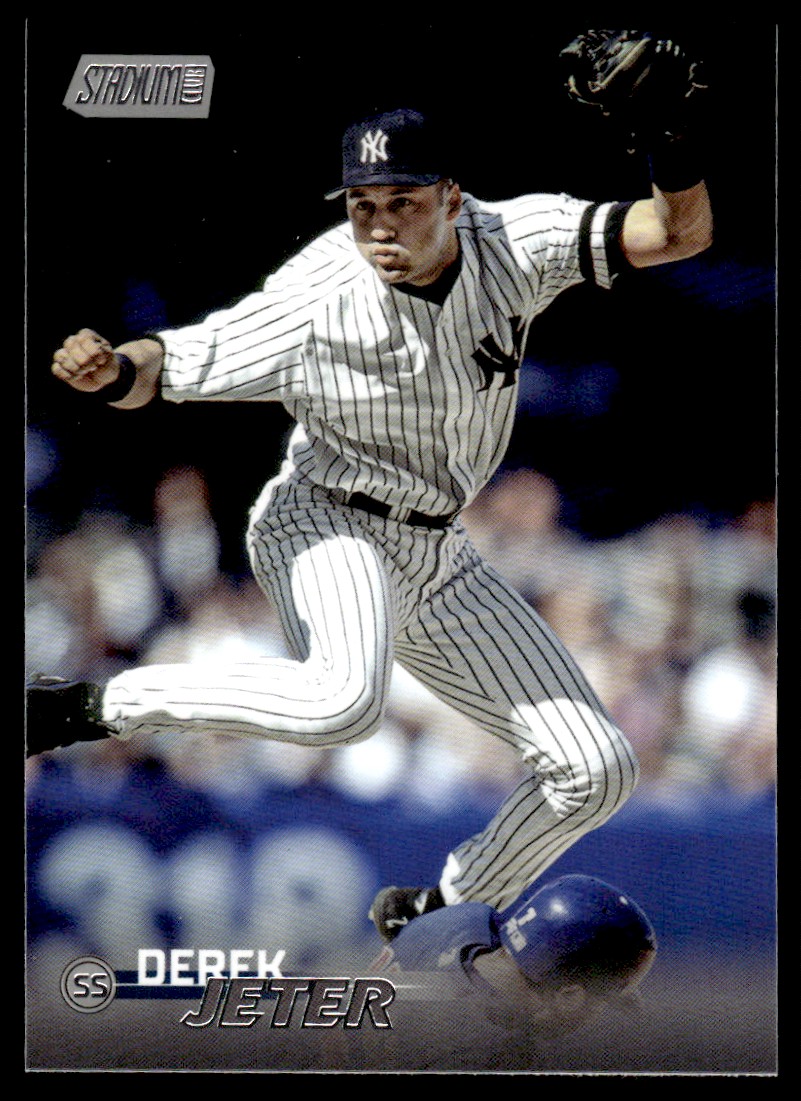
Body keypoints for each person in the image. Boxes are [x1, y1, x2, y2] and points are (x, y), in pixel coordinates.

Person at [28, 78, 712, 929]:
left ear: (452, 198)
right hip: (324, 518)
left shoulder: (514, 239)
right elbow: (169, 363)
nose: (380, 225)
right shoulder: (320, 295)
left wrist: (671, 140)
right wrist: (112, 369)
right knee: (342, 701)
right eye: (362, 205)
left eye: (402, 202)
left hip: (438, 550)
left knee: (597, 768)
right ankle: (80, 706)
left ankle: (438, 914)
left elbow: (676, 233)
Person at [372, 874, 657, 1041]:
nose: (599, 1015)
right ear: (569, 996)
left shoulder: (467, 916)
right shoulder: (497, 1054)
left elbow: (389, 905)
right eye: (602, 1002)